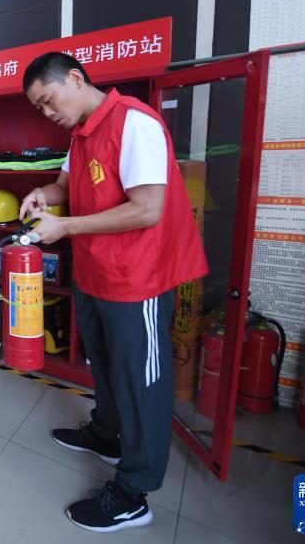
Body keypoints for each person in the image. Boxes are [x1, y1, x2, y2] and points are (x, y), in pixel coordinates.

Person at [18, 52, 207, 534]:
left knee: (142, 382)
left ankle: (134, 492)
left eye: (48, 100)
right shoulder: (80, 132)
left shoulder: (134, 123)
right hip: (96, 273)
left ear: (75, 78)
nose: (47, 112)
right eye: (39, 108)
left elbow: (147, 209)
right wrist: (43, 195)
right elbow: (65, 186)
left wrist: (65, 226)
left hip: (137, 279)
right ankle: (106, 434)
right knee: (102, 363)